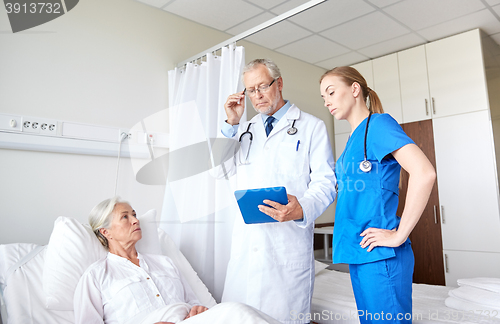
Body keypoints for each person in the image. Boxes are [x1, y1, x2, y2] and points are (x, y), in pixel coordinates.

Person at [219, 58, 337, 323]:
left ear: (279, 83)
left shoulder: (311, 127)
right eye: (251, 90)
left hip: (288, 243)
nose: (257, 96)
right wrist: (231, 123)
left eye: (262, 86)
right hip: (249, 245)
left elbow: (326, 183)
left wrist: (302, 208)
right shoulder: (243, 130)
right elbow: (220, 172)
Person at [319, 66, 436, 323]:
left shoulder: (379, 125)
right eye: (322, 97)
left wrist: (399, 235)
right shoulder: (352, 139)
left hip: (382, 253)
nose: (326, 101)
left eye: (330, 92)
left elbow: (424, 173)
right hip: (359, 251)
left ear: (354, 89)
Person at [74, 197, 281, 324]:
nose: (136, 220)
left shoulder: (165, 263)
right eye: (125, 217)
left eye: (135, 214)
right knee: (236, 311)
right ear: (105, 231)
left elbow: (193, 302)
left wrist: (197, 309)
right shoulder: (96, 276)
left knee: (239, 313)